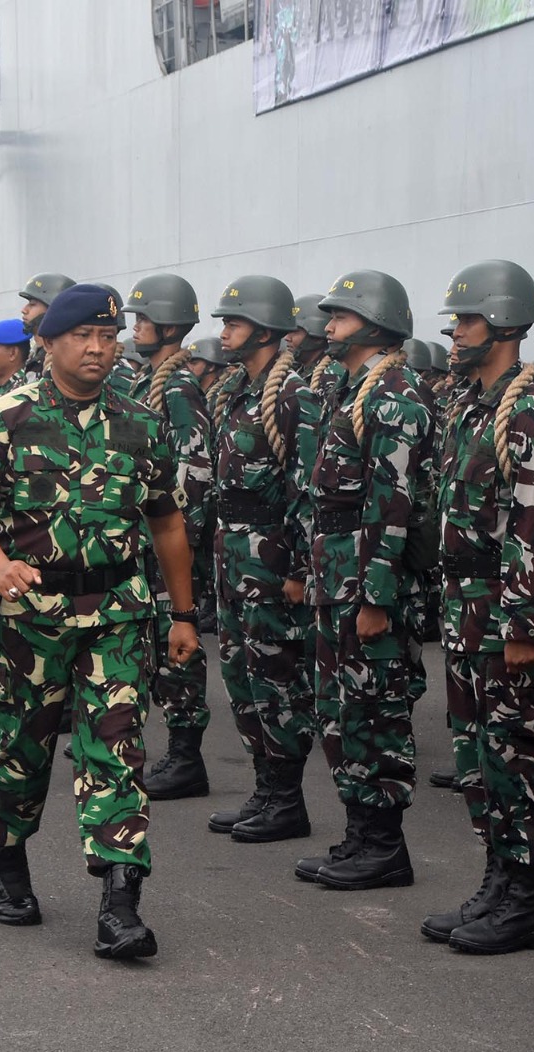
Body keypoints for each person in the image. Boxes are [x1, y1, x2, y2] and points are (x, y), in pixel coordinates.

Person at [0, 284, 198, 959]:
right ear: (49, 343)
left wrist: (183, 615)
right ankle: (8, 860)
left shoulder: (139, 422)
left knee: (116, 749)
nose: (97, 349)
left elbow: (167, 523)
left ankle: (120, 905)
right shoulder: (9, 414)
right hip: (30, 618)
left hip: (116, 613)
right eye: (83, 337)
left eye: (108, 337)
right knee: (23, 750)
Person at [420, 259, 534, 955]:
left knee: (518, 753)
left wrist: (525, 624)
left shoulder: (528, 408)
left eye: (468, 320)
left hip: (505, 613)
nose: (456, 332)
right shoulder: (470, 404)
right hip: (465, 605)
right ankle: (497, 881)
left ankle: (525, 901)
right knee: (478, 755)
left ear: (504, 324)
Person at [296, 269, 434, 891]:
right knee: (340, 711)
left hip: (367, 583)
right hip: (337, 575)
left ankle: (384, 847)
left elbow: (392, 504)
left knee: (375, 711)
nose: (328, 326)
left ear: (376, 325)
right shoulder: (351, 389)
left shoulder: (395, 396)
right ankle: (360, 833)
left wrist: (376, 598)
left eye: (341, 316)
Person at [205, 274, 321, 842]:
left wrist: (299, 570)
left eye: (234, 322)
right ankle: (265, 787)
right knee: (240, 675)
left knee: (278, 679)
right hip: (234, 559)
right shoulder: (237, 390)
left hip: (272, 562)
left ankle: (288, 799)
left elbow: (308, 488)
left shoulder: (293, 396)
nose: (224, 332)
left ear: (265, 328)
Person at [121, 274, 215, 799]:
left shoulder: (178, 387)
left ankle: (187, 757)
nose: (135, 328)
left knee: (177, 646)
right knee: (152, 644)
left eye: (144, 319)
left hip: (167, 543)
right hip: (144, 539)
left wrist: (179, 541)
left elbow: (193, 468)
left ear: (170, 325)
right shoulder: (146, 382)